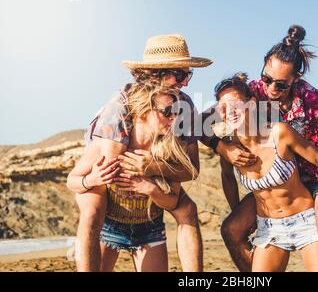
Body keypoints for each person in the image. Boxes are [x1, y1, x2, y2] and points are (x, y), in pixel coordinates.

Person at [205, 25, 318, 272]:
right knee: (231, 229)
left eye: (280, 85)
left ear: (296, 79)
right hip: (277, 182)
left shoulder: (314, 102)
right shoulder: (252, 91)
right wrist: (221, 147)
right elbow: (195, 122)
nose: (271, 88)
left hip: (316, 178)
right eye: (267, 78)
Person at [71, 34, 212, 272]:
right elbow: (107, 169)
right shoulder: (119, 109)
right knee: (92, 208)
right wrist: (88, 181)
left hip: (149, 213)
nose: (185, 83)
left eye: (188, 75)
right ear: (156, 73)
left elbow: (191, 169)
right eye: (180, 75)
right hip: (111, 208)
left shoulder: (184, 107)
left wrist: (153, 168)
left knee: (188, 210)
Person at [213, 73, 318, 271]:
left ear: (251, 103)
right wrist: (237, 211)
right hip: (269, 229)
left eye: (235, 105)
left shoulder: (279, 133)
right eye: (222, 108)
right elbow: (227, 177)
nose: (229, 112)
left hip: (305, 222)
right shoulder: (230, 148)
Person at [68, 84, 194, 271]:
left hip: (149, 229)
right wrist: (91, 180)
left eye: (176, 112)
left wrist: (150, 188)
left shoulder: (169, 150)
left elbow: (172, 201)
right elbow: (72, 181)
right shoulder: (111, 143)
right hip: (110, 228)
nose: (174, 118)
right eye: (167, 112)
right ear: (144, 111)